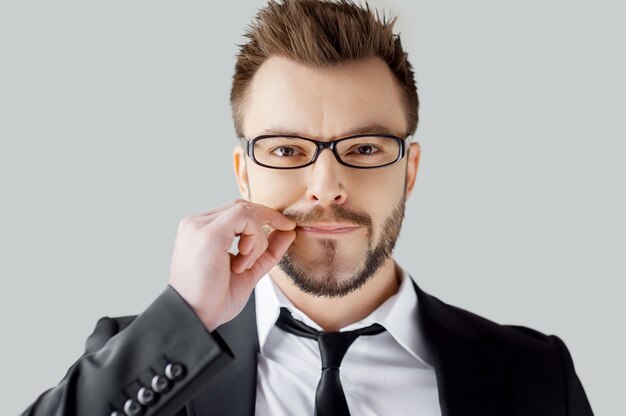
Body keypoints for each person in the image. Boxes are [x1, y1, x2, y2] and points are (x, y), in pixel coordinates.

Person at [23, 0, 593, 415]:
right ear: (245, 174)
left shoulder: (535, 376)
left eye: (366, 148)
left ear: (410, 171)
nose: (326, 186)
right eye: (287, 150)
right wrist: (186, 318)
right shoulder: (145, 362)